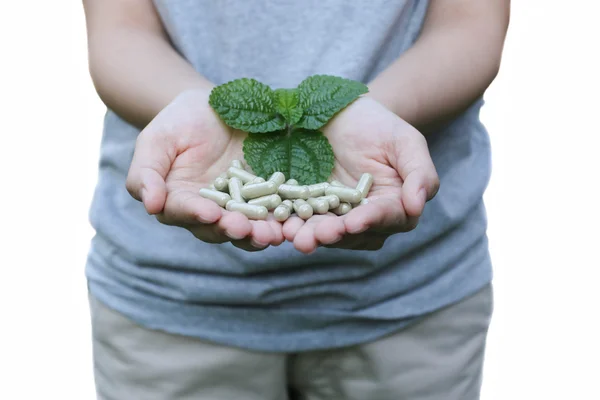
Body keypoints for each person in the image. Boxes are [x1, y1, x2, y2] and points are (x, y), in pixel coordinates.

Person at [82, 0, 509, 399]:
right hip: (168, 298)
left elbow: (469, 22)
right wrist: (192, 108)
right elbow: (120, 28)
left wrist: (382, 110)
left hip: (411, 295)